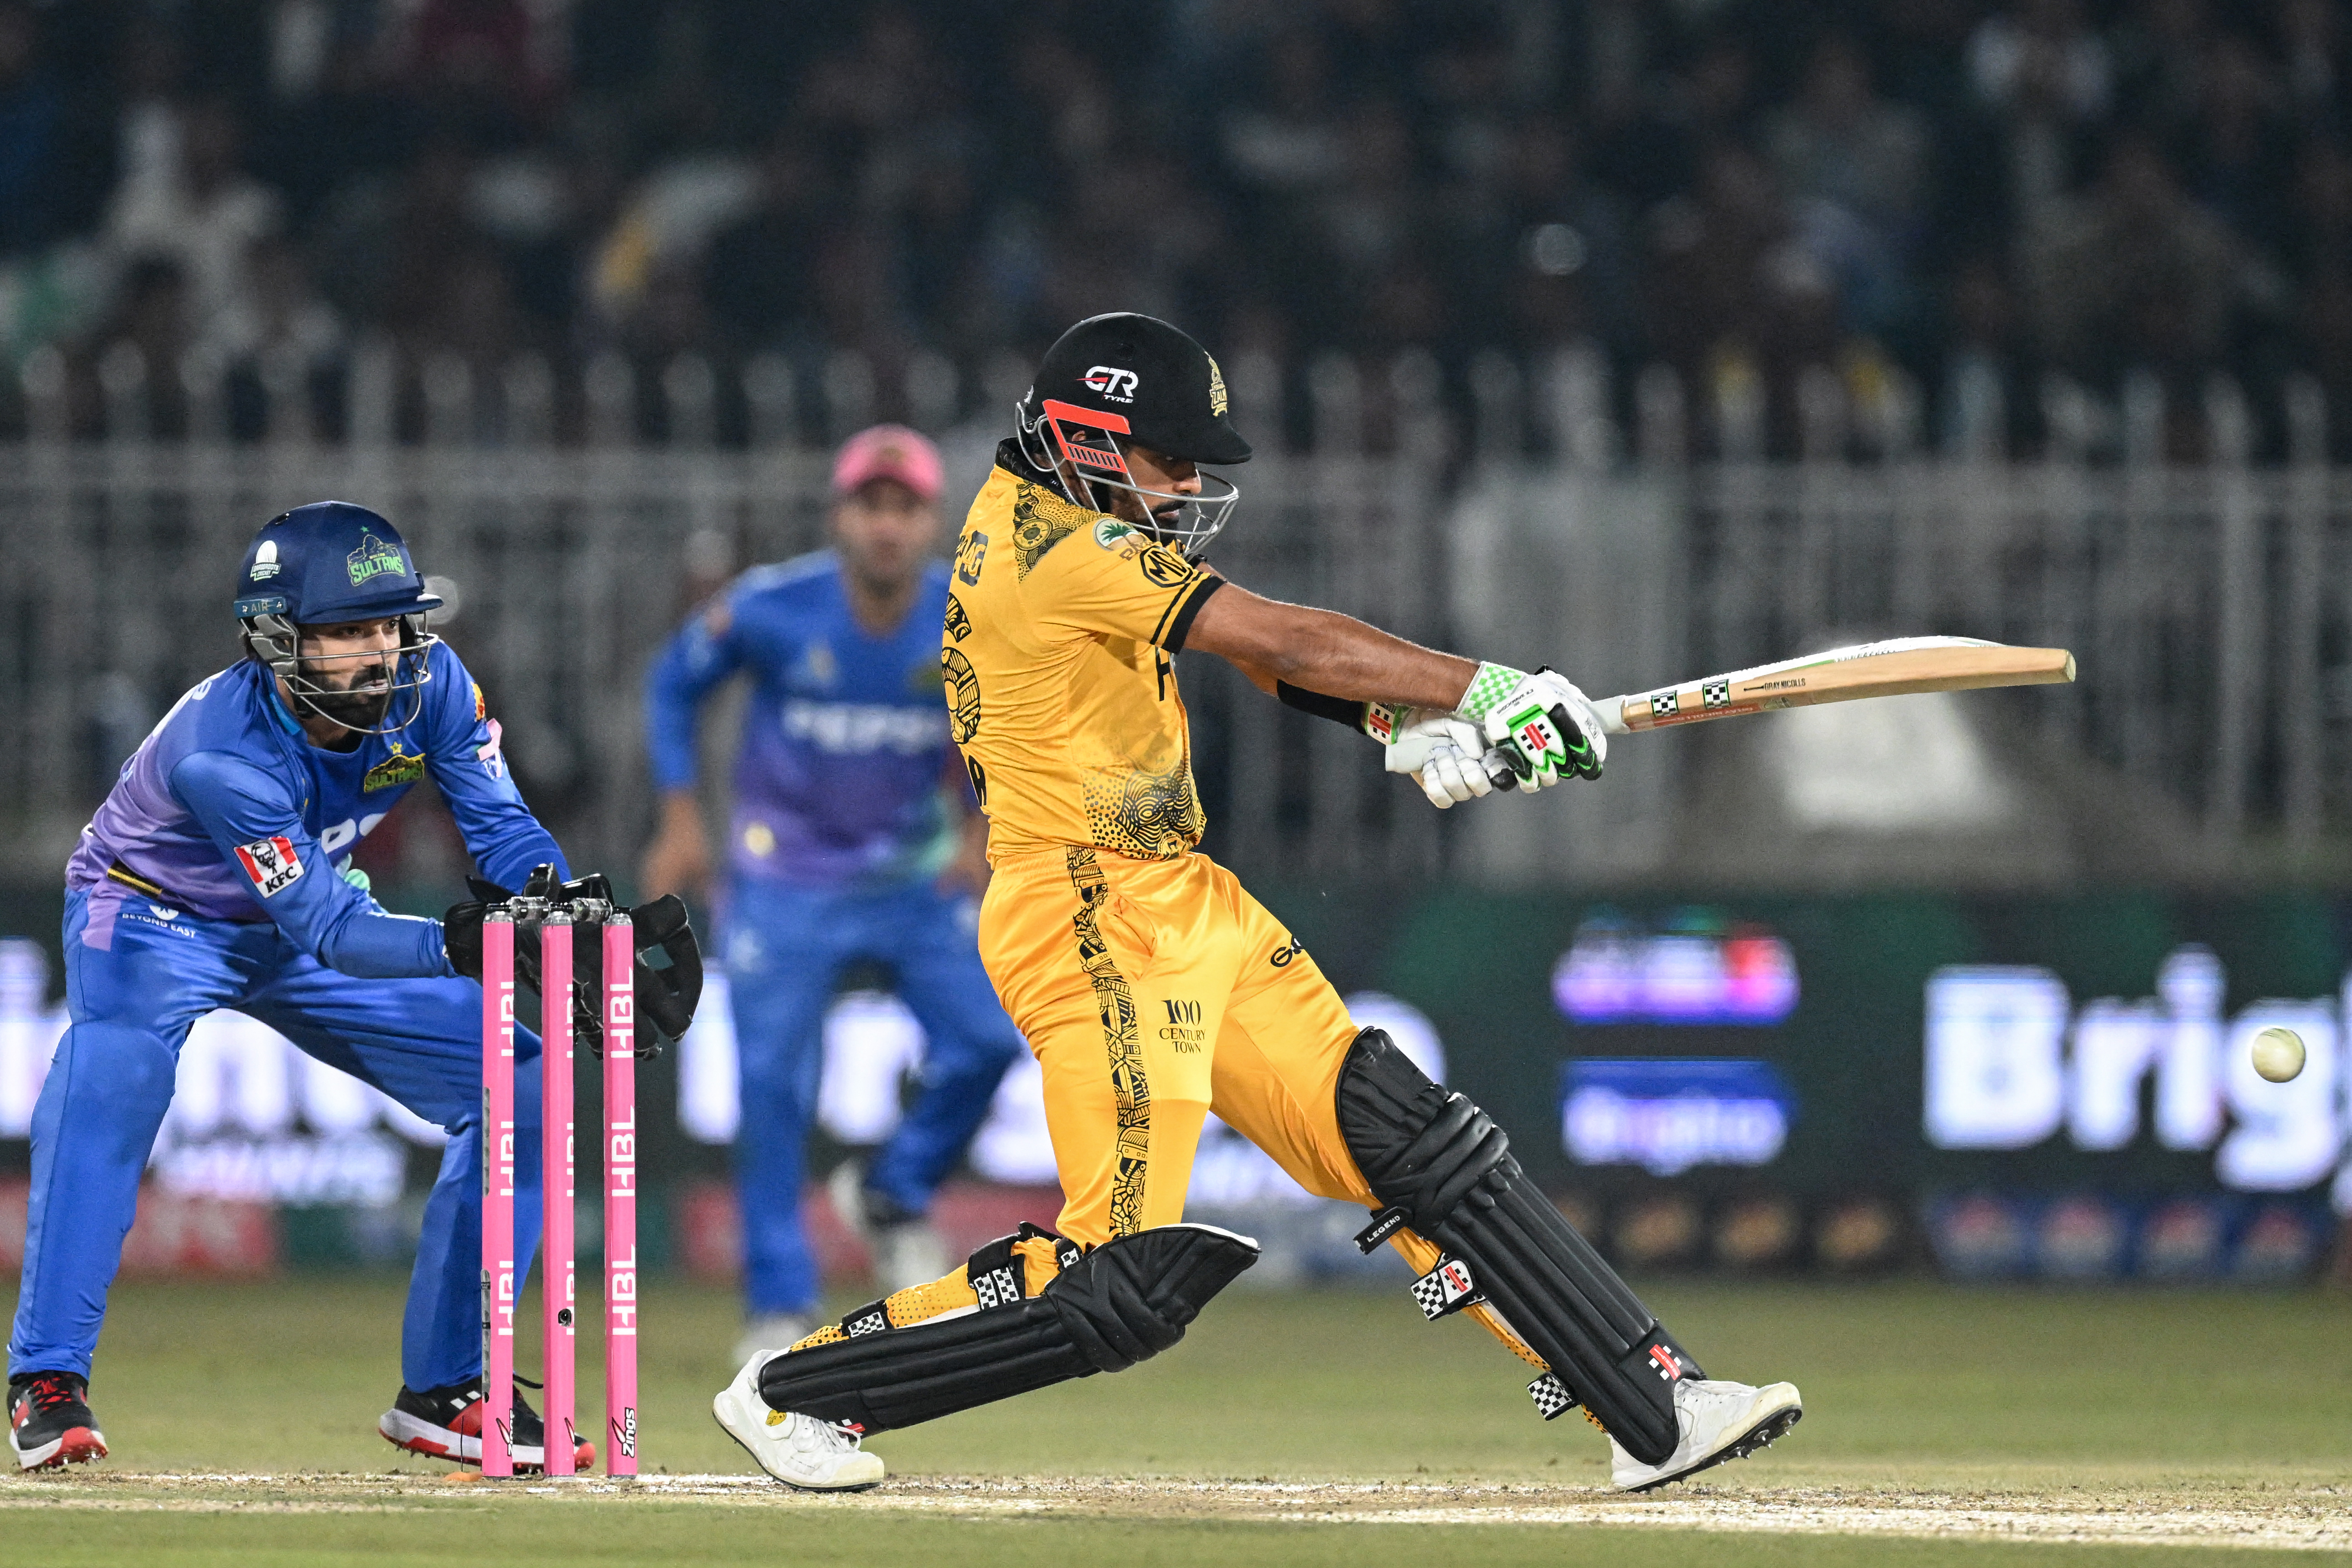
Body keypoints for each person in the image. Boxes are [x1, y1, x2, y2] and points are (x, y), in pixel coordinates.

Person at [712, 314, 1802, 1493]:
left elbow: (1262, 657)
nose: (1189, 483)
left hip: (1179, 894)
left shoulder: (1073, 519)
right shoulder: (1054, 548)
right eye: (1171, 457)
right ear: (1084, 441)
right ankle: (792, 1394)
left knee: (1413, 1145)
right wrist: (1487, 690)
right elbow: (1275, 633)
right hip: (1090, 917)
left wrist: (1398, 721)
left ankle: (1654, 1408)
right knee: (1118, 1281)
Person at [6, 502, 699, 1473]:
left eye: (391, 626)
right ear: (277, 640)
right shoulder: (224, 753)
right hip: (156, 916)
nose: (381, 654)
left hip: (307, 906)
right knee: (111, 1078)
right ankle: (47, 1379)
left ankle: (445, 1390)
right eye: (347, 633)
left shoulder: (437, 683)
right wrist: (472, 944)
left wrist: (555, 912)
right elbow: (330, 929)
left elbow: (504, 833)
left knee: (525, 1084)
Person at [642, 425, 1027, 1364]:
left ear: (933, 522)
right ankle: (778, 1306)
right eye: (871, 507)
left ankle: (895, 1190)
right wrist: (682, 818)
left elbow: (1012, 723)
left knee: (987, 1040)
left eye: (905, 509)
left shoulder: (964, 617)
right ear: (840, 517)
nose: (888, 528)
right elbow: (671, 685)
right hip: (784, 882)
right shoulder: (775, 606)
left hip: (912, 879)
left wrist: (982, 829)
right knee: (772, 1085)